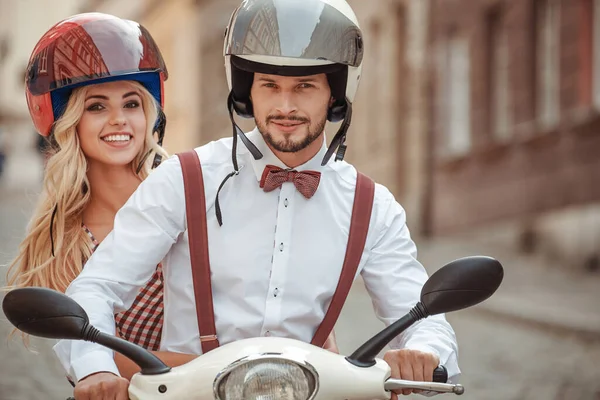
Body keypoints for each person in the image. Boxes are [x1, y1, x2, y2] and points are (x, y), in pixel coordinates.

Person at [55, 1, 460, 399]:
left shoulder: (372, 205)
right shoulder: (185, 177)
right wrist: (96, 368)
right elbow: (97, 286)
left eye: (304, 86)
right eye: (270, 85)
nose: (285, 106)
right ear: (246, 92)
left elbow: (422, 314)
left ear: (336, 94)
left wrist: (426, 352)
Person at [5, 12, 175, 382]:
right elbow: (103, 363)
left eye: (131, 103)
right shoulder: (66, 244)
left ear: (150, 116)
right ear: (70, 122)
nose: (119, 119)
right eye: (96, 106)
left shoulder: (189, 196)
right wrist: (216, 361)